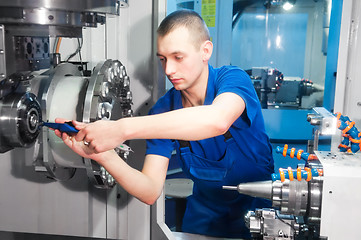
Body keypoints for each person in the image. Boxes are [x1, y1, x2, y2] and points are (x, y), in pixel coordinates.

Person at [55, 10, 274, 239]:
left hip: (260, 215)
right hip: (204, 221)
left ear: (205, 51)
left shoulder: (232, 79)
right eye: (163, 59)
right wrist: (102, 155)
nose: (168, 70)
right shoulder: (164, 109)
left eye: (178, 57)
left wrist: (121, 128)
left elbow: (217, 120)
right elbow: (150, 190)